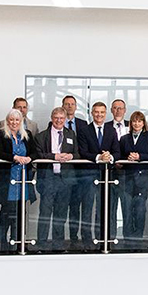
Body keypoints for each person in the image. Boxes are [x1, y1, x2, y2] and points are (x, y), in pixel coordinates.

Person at [0, 109, 37, 251]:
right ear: (7, 121)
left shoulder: (27, 134)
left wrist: (29, 158)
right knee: (6, 213)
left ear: (21, 121)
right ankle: (2, 242)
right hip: (7, 179)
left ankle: (17, 242)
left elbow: (35, 152)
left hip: (23, 179)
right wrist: (14, 157)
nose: (14, 122)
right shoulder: (0, 134)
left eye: (17, 120)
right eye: (11, 119)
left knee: (21, 213)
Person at [34, 107, 79, 251]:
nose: (59, 121)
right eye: (56, 118)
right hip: (48, 179)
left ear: (65, 119)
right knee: (45, 212)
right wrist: (54, 156)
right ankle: (41, 244)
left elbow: (78, 154)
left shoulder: (71, 134)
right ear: (51, 118)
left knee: (61, 213)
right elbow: (38, 154)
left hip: (65, 180)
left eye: (61, 118)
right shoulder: (41, 136)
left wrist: (71, 156)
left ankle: (58, 245)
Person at [76, 102, 120, 249]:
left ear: (105, 114)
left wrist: (110, 157)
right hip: (88, 175)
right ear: (92, 113)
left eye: (102, 112)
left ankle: (102, 239)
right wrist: (98, 157)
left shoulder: (111, 130)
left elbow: (117, 151)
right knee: (87, 208)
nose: (99, 115)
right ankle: (87, 241)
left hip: (106, 176)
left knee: (103, 208)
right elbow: (82, 152)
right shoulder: (84, 130)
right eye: (96, 112)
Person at [119, 111, 148, 241]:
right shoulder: (124, 138)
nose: (137, 124)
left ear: (143, 123)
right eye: (134, 121)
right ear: (131, 123)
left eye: (139, 121)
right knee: (127, 210)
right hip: (127, 179)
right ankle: (127, 239)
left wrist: (139, 157)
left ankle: (138, 240)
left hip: (143, 179)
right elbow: (120, 155)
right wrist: (127, 158)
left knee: (140, 211)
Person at [62, 94, 88, 243]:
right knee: (66, 205)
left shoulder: (83, 124)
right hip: (64, 171)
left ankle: (79, 237)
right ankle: (68, 237)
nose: (69, 106)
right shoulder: (55, 122)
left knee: (79, 205)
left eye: (72, 104)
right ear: (63, 106)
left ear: (76, 107)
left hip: (81, 171)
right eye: (67, 104)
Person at [108, 99, 129, 240]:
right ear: (111, 110)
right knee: (111, 207)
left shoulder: (132, 124)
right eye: (115, 108)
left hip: (128, 173)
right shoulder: (106, 126)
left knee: (127, 207)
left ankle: (128, 239)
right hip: (110, 171)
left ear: (125, 110)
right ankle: (110, 237)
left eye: (120, 108)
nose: (118, 110)